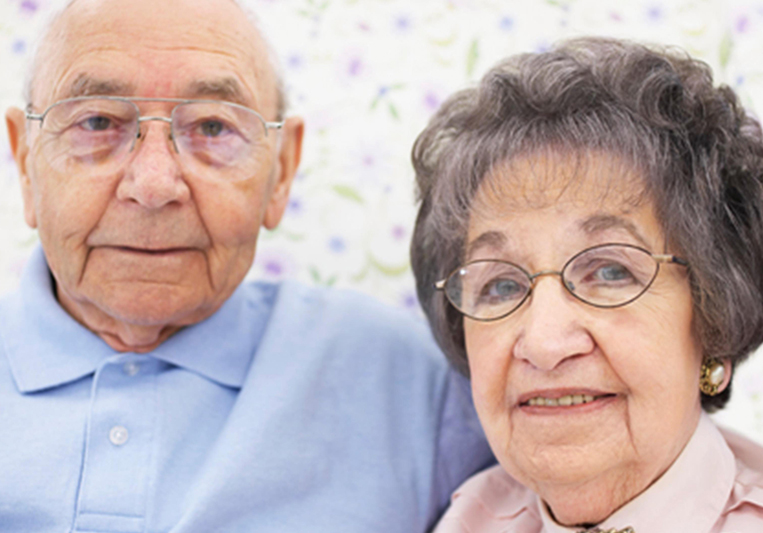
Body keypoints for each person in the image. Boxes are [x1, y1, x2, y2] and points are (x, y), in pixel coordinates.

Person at [0, 0, 493, 531]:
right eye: (96, 121)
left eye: (212, 128)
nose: (154, 185)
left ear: (281, 172)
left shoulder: (413, 381)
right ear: (26, 160)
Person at [410, 37, 763, 532]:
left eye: (610, 272)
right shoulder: (467, 519)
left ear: (715, 316)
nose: (545, 343)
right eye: (501, 286)